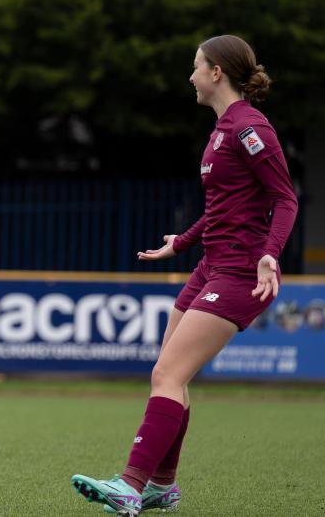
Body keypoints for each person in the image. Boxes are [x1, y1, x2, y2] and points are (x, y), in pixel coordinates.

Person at [71, 35, 298, 516]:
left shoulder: (250, 128)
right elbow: (223, 208)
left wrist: (270, 255)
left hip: (239, 271)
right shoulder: (221, 129)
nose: (190, 75)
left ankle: (131, 485)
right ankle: (162, 486)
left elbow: (285, 198)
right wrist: (182, 241)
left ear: (217, 73)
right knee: (170, 374)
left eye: (196, 66)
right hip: (210, 265)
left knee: (168, 374)